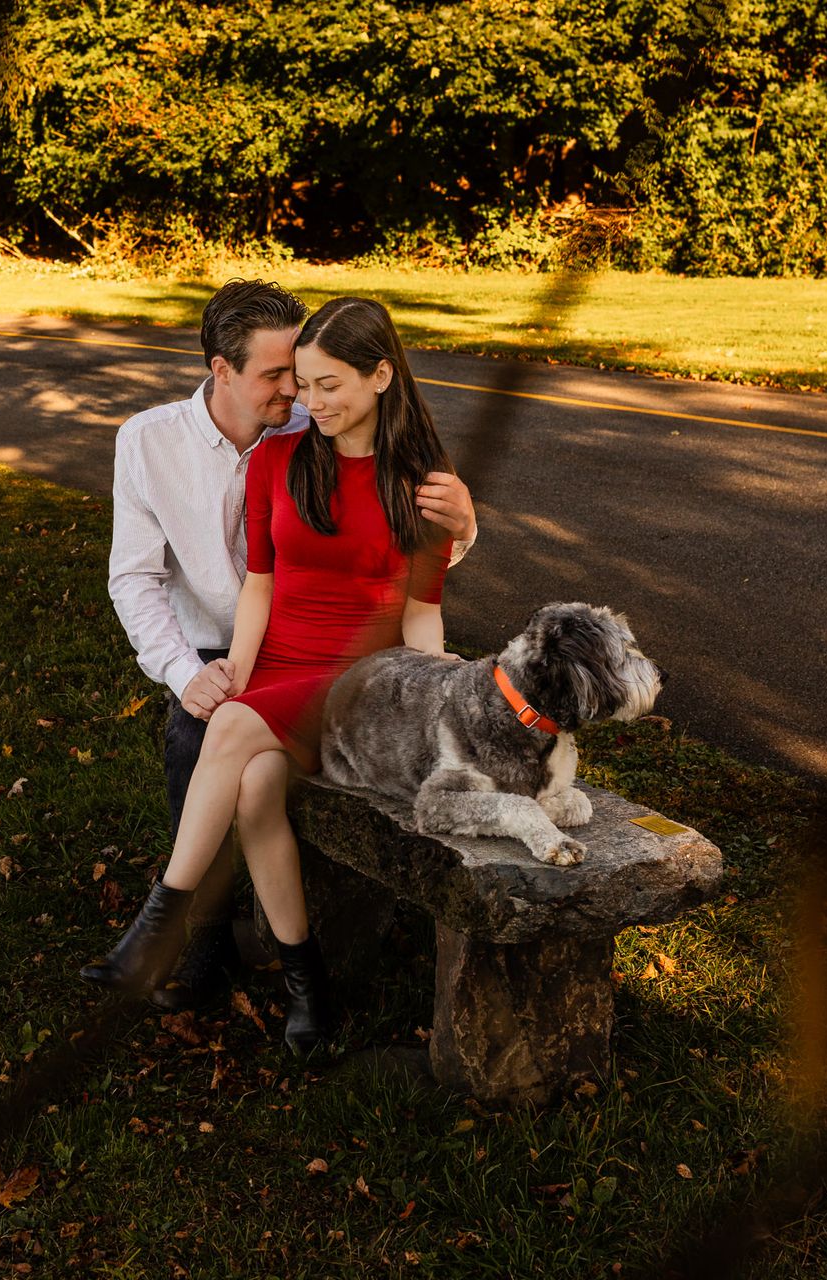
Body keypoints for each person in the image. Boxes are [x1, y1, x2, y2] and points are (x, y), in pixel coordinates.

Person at [90, 285, 476, 1042]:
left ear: (378, 376)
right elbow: (148, 579)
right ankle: (306, 981)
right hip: (251, 655)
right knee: (251, 785)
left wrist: (432, 688)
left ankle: (159, 927)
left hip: (358, 676)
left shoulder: (362, 446)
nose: (299, 394)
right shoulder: (221, 448)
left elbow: (424, 590)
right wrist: (206, 670)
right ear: (221, 371)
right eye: (284, 376)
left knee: (229, 728)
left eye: (313, 380)